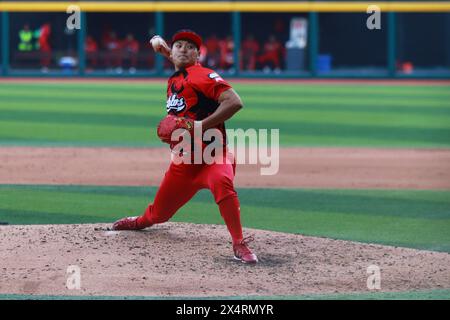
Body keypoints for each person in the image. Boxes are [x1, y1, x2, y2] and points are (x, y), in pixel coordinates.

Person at [112, 29, 258, 264]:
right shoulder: (177, 77)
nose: (183, 49)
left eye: (190, 47)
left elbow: (235, 102)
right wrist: (165, 51)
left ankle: (239, 244)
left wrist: (199, 126)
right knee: (159, 214)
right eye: (179, 45)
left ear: (198, 55)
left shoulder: (204, 75)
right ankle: (140, 222)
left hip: (213, 157)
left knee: (222, 182)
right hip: (183, 164)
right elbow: (182, 65)